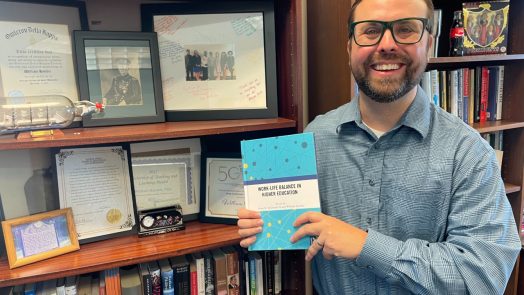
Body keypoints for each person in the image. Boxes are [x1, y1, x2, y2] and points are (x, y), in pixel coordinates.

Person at [237, 0, 521, 294]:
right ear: (349, 46)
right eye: (370, 31)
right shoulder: (314, 137)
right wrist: (264, 223)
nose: (386, 44)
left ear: (429, 42)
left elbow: (483, 279)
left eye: (405, 29)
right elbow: (296, 228)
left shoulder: (469, 153)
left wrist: (366, 246)